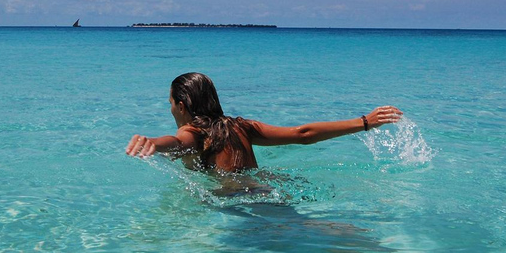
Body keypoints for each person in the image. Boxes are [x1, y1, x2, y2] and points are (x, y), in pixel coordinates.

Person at [125, 72, 402, 172]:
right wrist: (364, 121)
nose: (170, 109)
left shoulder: (193, 132)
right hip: (267, 189)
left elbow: (177, 142)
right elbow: (303, 134)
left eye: (170, 103)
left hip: (240, 207)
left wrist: (153, 144)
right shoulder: (240, 125)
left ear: (182, 106)